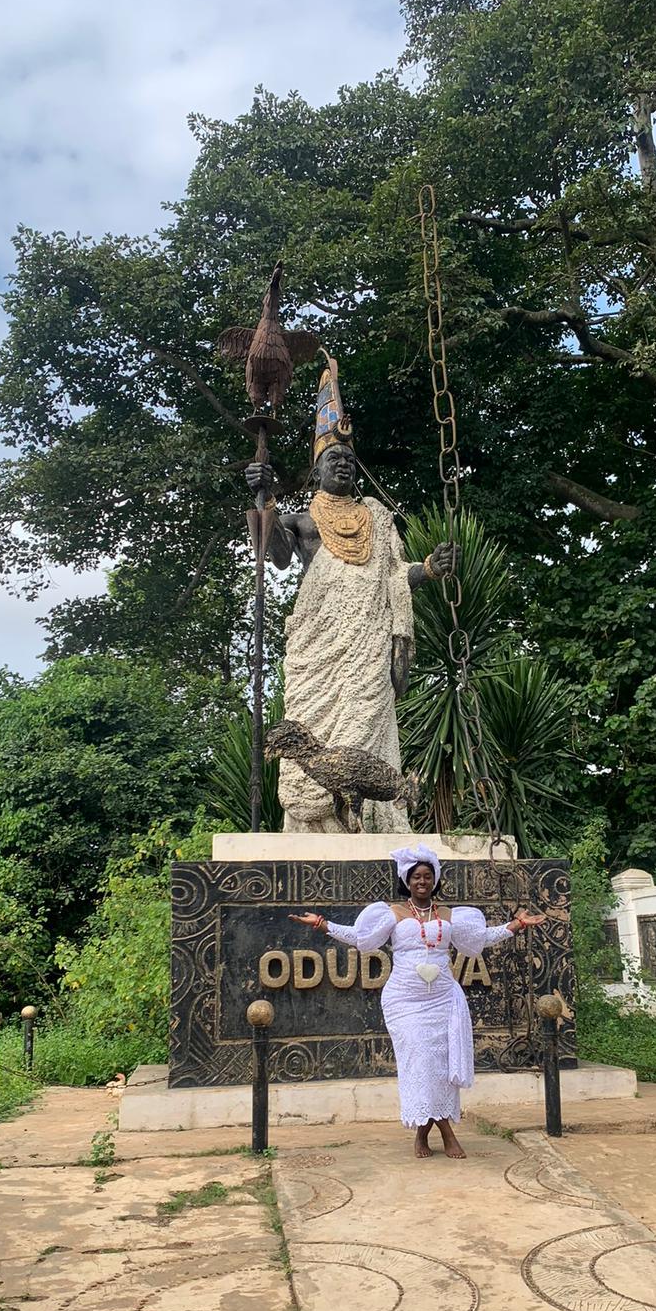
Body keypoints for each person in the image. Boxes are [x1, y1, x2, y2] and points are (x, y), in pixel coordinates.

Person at [246, 355, 455, 833]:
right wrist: (266, 497)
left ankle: (373, 819)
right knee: (308, 727)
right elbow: (274, 553)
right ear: (316, 470)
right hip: (317, 648)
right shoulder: (302, 521)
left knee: (368, 718)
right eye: (331, 459)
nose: (341, 464)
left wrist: (427, 569)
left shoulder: (377, 518)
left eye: (347, 460)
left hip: (366, 646)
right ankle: (312, 823)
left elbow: (394, 576)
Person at [291, 843, 545, 1158]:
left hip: (442, 1000)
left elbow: (482, 939)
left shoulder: (451, 915)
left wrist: (516, 926)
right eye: (416, 878)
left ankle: (422, 1135)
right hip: (405, 1003)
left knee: (439, 1068)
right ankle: (448, 1134)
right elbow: (360, 938)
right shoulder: (392, 913)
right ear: (407, 882)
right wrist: (322, 924)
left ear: (434, 880)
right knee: (420, 1063)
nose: (422, 882)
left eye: (427, 876)